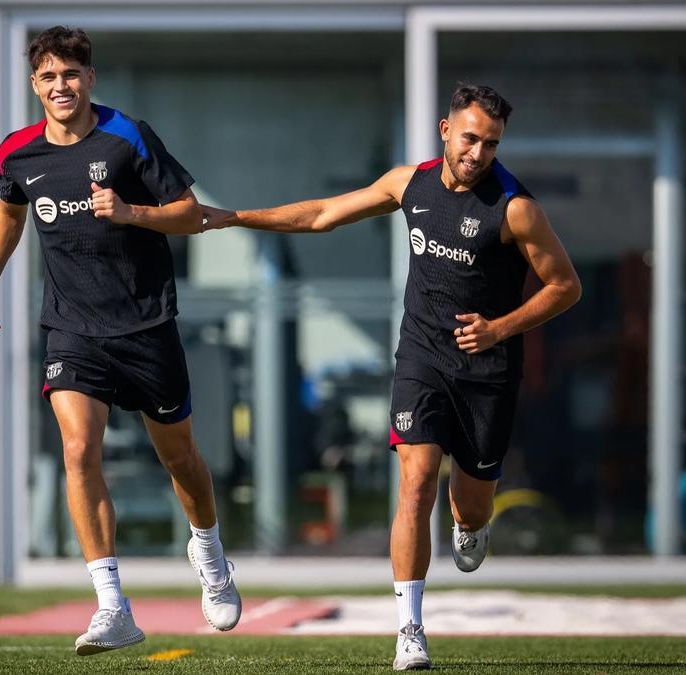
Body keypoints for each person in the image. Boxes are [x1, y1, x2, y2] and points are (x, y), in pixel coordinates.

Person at [201, 84, 581, 671]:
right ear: (444, 130)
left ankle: (470, 525)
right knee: (417, 480)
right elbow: (325, 214)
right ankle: (410, 628)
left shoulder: (515, 209)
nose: (479, 153)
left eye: (491, 143)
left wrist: (500, 329)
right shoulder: (410, 184)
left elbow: (565, 286)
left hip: (488, 374)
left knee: (471, 506)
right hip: (421, 361)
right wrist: (236, 218)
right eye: (470, 138)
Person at [0, 26, 241, 656]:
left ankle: (208, 549)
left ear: (90, 79)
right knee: (77, 449)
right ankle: (112, 606)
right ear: (34, 85)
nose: (60, 87)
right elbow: (10, 215)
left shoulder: (129, 137)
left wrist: (131, 213)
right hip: (72, 328)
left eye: (71, 75)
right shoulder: (16, 153)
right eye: (47, 77)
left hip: (146, 326)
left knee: (181, 460)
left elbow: (191, 214)